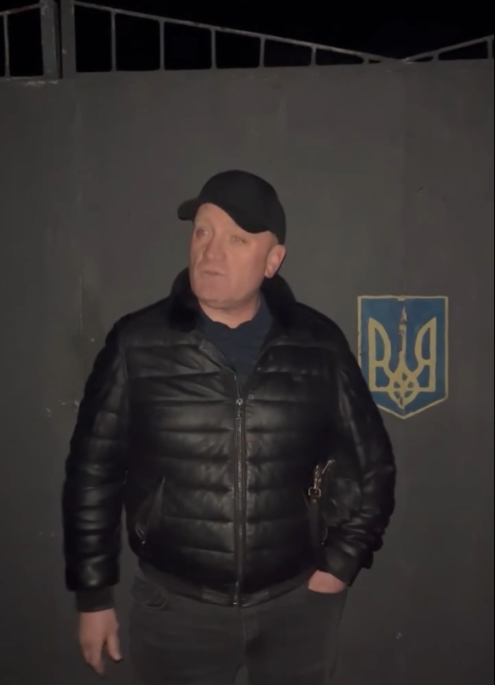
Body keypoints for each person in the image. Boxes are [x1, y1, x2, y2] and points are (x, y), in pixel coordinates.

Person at [62, 170, 396, 685]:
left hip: (296, 609)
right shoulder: (138, 344)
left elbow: (372, 462)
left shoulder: (318, 345)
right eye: (203, 231)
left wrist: (340, 565)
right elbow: (93, 472)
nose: (210, 251)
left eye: (237, 239)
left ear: (273, 260)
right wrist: (93, 595)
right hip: (176, 610)